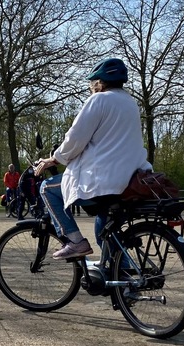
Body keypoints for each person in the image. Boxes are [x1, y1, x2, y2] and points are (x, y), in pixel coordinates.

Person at [35, 58, 152, 259]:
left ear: (99, 82)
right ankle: (121, 278)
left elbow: (75, 138)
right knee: (104, 231)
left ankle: (75, 241)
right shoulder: (130, 103)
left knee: (47, 188)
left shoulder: (99, 100)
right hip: (130, 179)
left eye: (92, 83)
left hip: (104, 181)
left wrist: (53, 159)